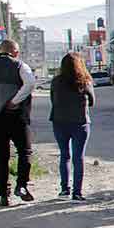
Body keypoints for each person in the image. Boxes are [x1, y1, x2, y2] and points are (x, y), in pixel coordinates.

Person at [0, 40, 36, 206]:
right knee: (25, 151)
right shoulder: (20, 66)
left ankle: (4, 195)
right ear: (15, 52)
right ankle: (21, 186)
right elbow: (30, 83)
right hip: (16, 116)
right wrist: (15, 100)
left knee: (1, 156)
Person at [49, 52, 95, 200]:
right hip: (80, 122)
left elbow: (52, 100)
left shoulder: (56, 81)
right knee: (78, 157)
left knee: (64, 156)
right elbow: (93, 101)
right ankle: (77, 192)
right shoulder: (84, 81)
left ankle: (64, 190)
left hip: (59, 122)